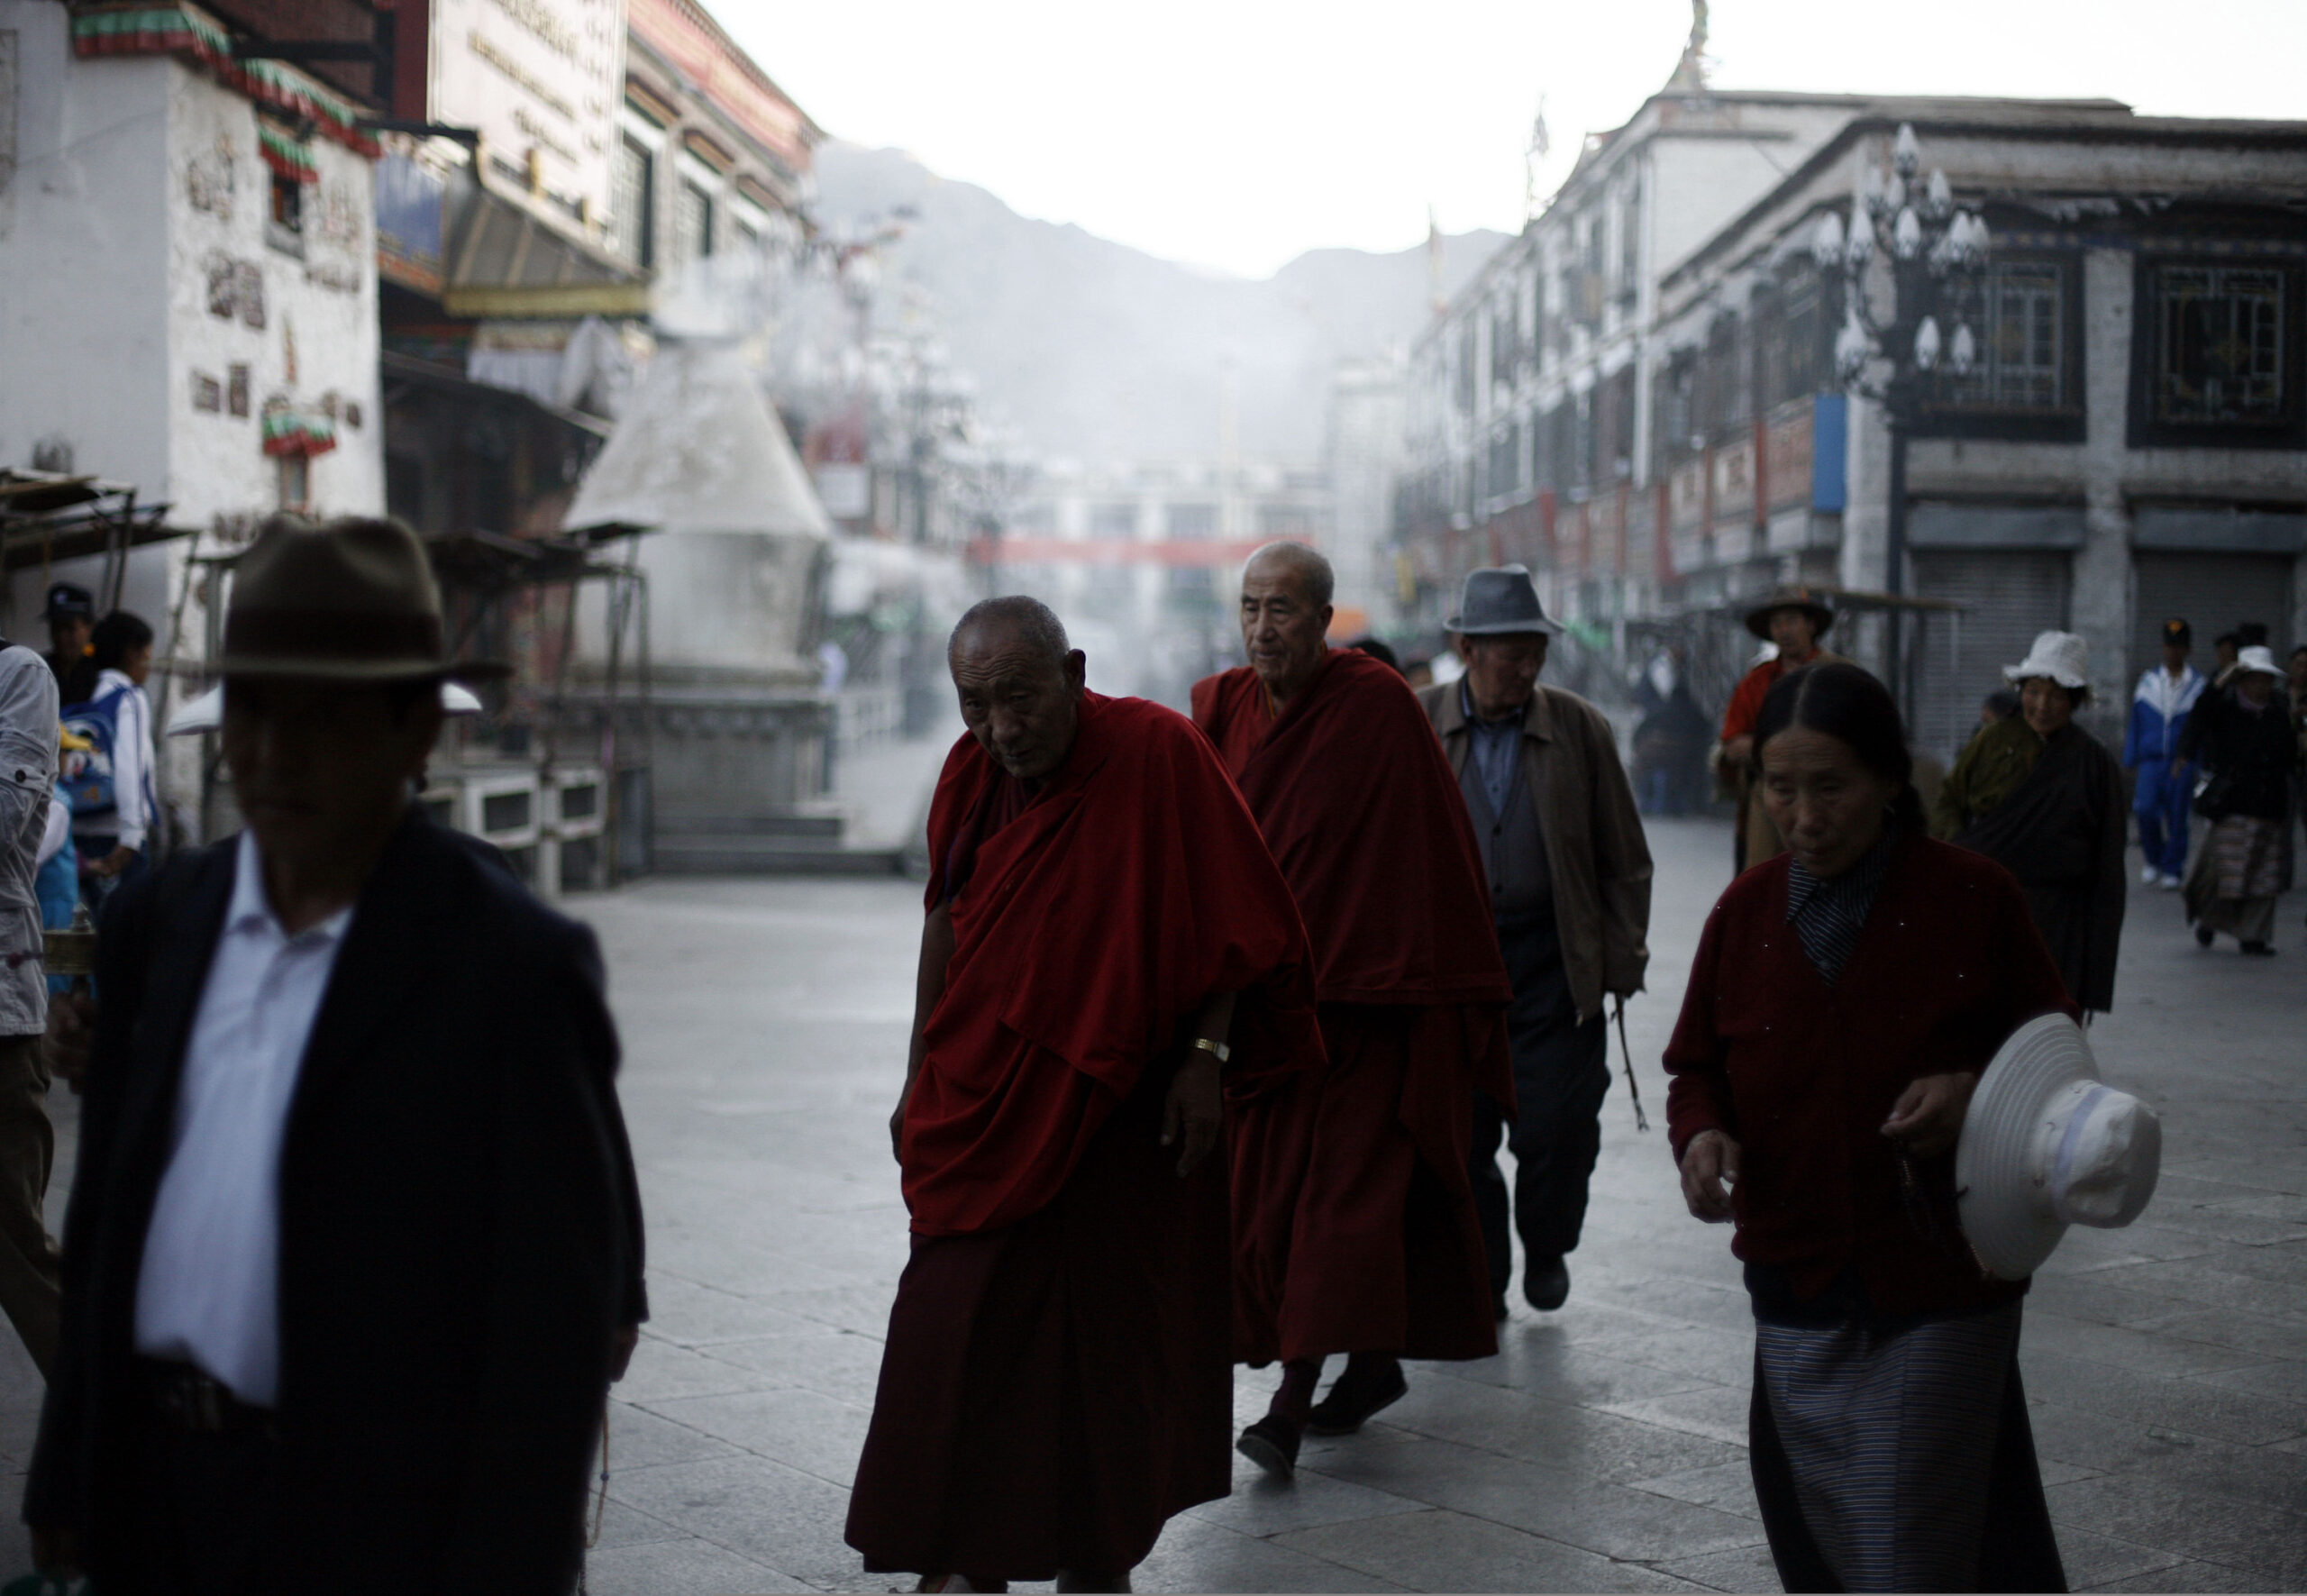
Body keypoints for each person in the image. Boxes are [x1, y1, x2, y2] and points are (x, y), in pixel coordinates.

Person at [27, 515, 648, 1591]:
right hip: (169, 1497)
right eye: (252, 711)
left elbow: (546, 1335)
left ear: (417, 733)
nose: (275, 754)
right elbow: (108, 1219)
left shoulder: (507, 964)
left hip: (379, 1521)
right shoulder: (163, 920)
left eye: (326, 719)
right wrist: (68, 1481)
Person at [847, 597, 1319, 1592]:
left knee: (1105, 1349)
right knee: (954, 1323)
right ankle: (967, 1550)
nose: (999, 728)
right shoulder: (971, 774)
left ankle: (1095, 1552)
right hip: (990, 1099)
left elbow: (1235, 913)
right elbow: (947, 921)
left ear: (1073, 670)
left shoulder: (1156, 752)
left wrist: (1206, 1055)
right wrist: (915, 1070)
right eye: (974, 705)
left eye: (1018, 698)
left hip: (1125, 1107)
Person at [1665, 661, 2074, 1593]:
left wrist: (1976, 1091)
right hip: (1794, 1275)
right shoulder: (1744, 912)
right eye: (1780, 787)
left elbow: (2052, 1054)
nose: (1803, 815)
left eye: (1829, 787)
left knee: (1905, 1540)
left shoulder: (1972, 897)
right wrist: (1700, 1137)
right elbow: (1695, 1066)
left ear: (1890, 778)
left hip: (1940, 1276)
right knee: (1827, 1530)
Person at [1192, 543, 1511, 1481]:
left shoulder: (1373, 706)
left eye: (1282, 609)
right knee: (1263, 1218)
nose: (1261, 628)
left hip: (1368, 1009)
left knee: (1339, 1209)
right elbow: (1202, 852)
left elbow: (1433, 844)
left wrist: (1439, 980)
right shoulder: (1216, 709)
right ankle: (1368, 1365)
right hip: (1265, 1015)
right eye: (1250, 608)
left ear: (1324, 617)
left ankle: (1289, 1405)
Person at [1419, 567, 1651, 1318]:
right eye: (1509, 653)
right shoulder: (1419, 722)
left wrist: (1620, 958)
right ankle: (1483, 1274)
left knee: (1557, 1128)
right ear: (1465, 646)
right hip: (1455, 973)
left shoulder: (1579, 727)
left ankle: (1546, 1243)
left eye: (1533, 652)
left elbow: (1625, 857)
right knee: (1464, 1134)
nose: (1525, 668)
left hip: (1555, 965)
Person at [1933, 631, 2128, 1015]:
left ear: (2074, 701)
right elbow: (1949, 800)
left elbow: (2107, 865)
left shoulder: (2093, 763)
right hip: (1989, 903)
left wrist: (2096, 968)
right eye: (2034, 691)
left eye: (2056, 695)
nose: (2042, 705)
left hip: (2059, 917)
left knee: (2046, 1023)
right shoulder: (1991, 741)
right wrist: (1964, 853)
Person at [0, 639, 61, 1380]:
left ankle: (112, 1429)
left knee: (17, 1248)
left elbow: (6, 817)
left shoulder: (18, 674)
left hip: (1, 1028)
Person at [2178, 645, 2298, 955]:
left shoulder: (2278, 710)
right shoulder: (2226, 708)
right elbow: (2200, 713)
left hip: (2269, 805)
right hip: (2232, 805)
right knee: (2226, 872)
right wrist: (2220, 681)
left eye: (2265, 680)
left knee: (2264, 875)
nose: (2260, 687)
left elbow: (2288, 754)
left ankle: (2253, 935)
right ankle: (2209, 920)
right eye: (2254, 679)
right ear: (2242, 681)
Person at [1716, 586, 1838, 872]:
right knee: (1764, 882)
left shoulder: (1838, 674)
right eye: (1777, 623)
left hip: (1830, 799)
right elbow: (1732, 743)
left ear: (1810, 624)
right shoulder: (1756, 682)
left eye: (1792, 620)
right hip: (1767, 801)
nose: (1784, 630)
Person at [65, 610, 158, 908]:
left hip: (74, 830)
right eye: (147, 654)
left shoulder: (79, 690)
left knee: (84, 936)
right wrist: (132, 836)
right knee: (125, 938)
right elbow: (130, 767)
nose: (149, 663)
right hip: (117, 838)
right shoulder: (128, 696)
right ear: (132, 654)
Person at [2121, 619, 2204, 891]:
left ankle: (2173, 867)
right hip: (2151, 760)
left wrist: (2198, 762)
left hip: (2180, 762)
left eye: (2179, 647)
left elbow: (2203, 730)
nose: (2173, 652)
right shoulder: (2148, 681)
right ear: (2163, 648)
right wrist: (2131, 757)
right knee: (2144, 810)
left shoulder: (2198, 685)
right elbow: (2136, 722)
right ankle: (2153, 859)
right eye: (2169, 646)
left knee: (2178, 815)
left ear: (2188, 650)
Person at [1632, 645, 1711, 816]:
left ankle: (1654, 804)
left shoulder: (1661, 711)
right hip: (1673, 755)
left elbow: (1639, 734)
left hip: (1658, 752)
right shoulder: (1661, 671)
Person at [40, 584, 98, 709]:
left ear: (89, 627)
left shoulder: (101, 673)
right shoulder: (39, 668)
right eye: (56, 628)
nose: (61, 636)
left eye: (69, 628)